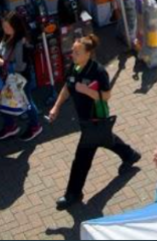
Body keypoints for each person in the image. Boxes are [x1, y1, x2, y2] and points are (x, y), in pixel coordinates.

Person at [48, 35, 142, 210]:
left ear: (88, 54)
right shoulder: (75, 68)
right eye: (73, 51)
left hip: (94, 121)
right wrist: (56, 107)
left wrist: (86, 91)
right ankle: (130, 155)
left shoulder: (98, 71)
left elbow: (106, 96)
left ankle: (73, 194)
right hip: (86, 122)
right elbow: (67, 87)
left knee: (81, 160)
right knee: (106, 139)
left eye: (77, 52)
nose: (72, 54)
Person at [0, 11, 43, 141]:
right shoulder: (6, 37)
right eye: (4, 26)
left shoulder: (20, 42)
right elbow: (0, 51)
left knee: (27, 104)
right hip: (10, 79)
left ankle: (35, 126)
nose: (5, 29)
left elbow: (20, 66)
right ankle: (10, 126)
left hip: (21, 79)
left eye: (7, 26)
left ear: (16, 26)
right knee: (3, 102)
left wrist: (2, 62)